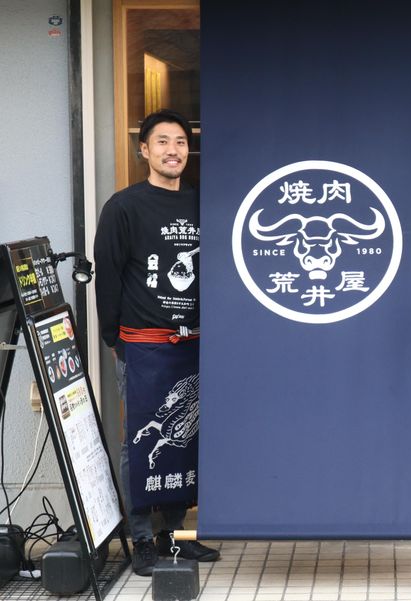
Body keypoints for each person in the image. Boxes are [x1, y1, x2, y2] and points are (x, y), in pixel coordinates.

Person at [95, 109, 220, 576]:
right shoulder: (124, 207)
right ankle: (142, 537)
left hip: (196, 343)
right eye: (163, 141)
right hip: (143, 343)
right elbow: (108, 276)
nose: (173, 150)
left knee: (186, 434)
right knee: (141, 436)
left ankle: (174, 535)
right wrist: (113, 337)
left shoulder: (204, 202)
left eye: (181, 142)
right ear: (144, 149)